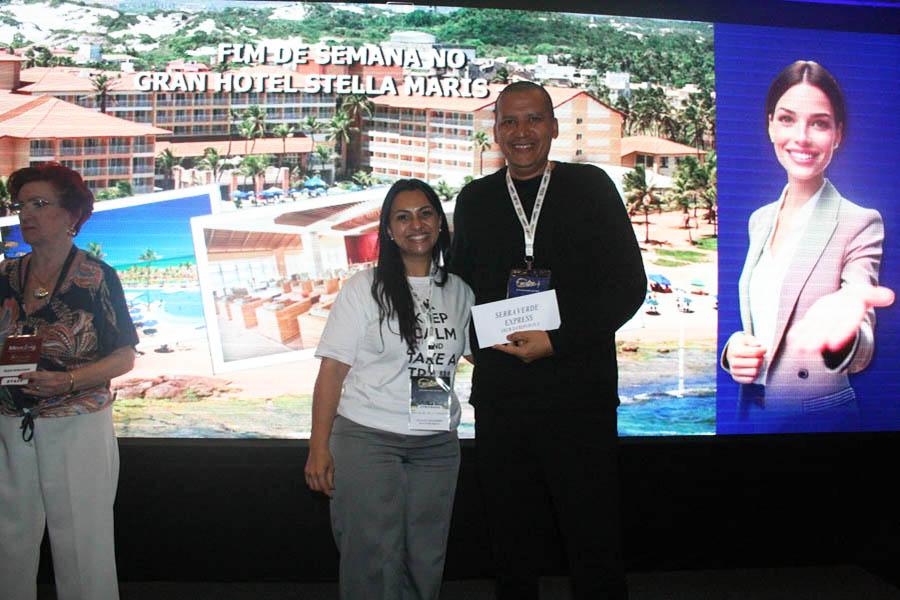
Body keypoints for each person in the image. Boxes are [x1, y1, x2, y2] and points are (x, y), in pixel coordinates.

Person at [450, 81, 646, 599]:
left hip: (580, 395)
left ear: (554, 127)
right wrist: (474, 339)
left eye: (533, 119)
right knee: (510, 543)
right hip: (502, 399)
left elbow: (628, 286)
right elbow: (458, 290)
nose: (521, 133)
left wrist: (555, 340)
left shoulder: (592, 188)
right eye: (509, 122)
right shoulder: (474, 200)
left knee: (594, 539)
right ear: (495, 131)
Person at [304, 179, 474, 600]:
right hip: (368, 438)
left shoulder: (460, 292)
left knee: (426, 558)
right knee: (371, 558)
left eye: (425, 213)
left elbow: (484, 356)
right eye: (403, 216)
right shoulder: (364, 289)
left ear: (439, 223)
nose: (416, 224)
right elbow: (332, 372)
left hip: (437, 444)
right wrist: (318, 446)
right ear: (389, 230)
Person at [722, 60, 894, 431]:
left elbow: (861, 343)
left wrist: (844, 332)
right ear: (770, 125)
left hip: (819, 425)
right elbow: (767, 320)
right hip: (751, 418)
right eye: (787, 119)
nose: (801, 136)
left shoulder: (860, 222)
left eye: (819, 123)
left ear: (838, 134)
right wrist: (736, 348)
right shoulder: (759, 220)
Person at [0, 163, 138, 600]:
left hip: (76, 424)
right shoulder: (4, 275)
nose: (27, 214)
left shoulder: (96, 277)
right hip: (9, 425)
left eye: (40, 204)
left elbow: (124, 356)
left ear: (72, 215)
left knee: (81, 544)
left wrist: (68, 381)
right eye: (21, 205)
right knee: (9, 543)